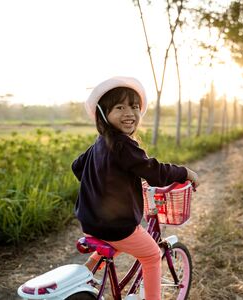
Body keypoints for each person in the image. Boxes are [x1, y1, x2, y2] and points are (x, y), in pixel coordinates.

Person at [71, 76, 199, 300]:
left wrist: (104, 183)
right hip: (115, 227)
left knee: (116, 243)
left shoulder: (100, 143)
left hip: (89, 222)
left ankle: (84, 276)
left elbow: (77, 167)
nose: (129, 113)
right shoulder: (122, 145)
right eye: (119, 107)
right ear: (103, 114)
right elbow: (155, 172)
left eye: (134, 107)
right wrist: (185, 172)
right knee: (150, 255)